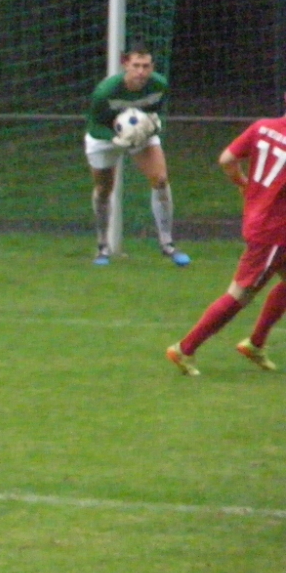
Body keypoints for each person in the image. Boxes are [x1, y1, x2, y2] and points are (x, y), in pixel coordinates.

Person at [166, 93, 286, 376]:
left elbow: (227, 159)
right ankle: (184, 348)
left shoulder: (262, 127)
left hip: (259, 218)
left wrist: (243, 184)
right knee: (241, 294)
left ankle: (255, 344)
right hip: (274, 231)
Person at [84, 43, 190, 266]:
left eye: (146, 66)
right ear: (125, 65)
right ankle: (103, 246)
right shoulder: (106, 91)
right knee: (104, 189)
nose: (141, 71)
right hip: (105, 137)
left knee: (160, 180)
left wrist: (151, 126)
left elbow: (154, 113)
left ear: (152, 67)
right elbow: (94, 126)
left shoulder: (159, 85)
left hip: (139, 135)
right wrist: (116, 139)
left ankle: (167, 244)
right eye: (136, 66)